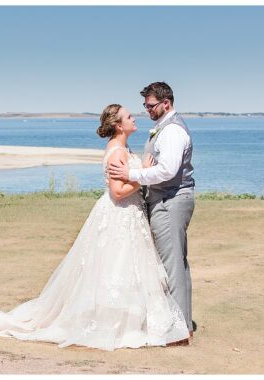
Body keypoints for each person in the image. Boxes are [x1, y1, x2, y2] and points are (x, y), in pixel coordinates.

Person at [0, 104, 190, 351]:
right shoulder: (117, 152)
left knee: (124, 267)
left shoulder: (124, 148)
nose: (135, 118)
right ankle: (114, 322)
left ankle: (130, 319)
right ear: (118, 125)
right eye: (130, 116)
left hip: (130, 214)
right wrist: (143, 177)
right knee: (116, 266)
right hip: (120, 213)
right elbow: (118, 192)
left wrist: (139, 172)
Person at [108, 83, 195, 345]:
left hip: (170, 200)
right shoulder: (164, 129)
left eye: (150, 106)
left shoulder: (172, 132)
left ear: (165, 103)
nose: (146, 111)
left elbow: (167, 170)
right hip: (167, 199)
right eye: (145, 106)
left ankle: (178, 331)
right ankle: (183, 324)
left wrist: (132, 175)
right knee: (176, 262)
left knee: (172, 265)